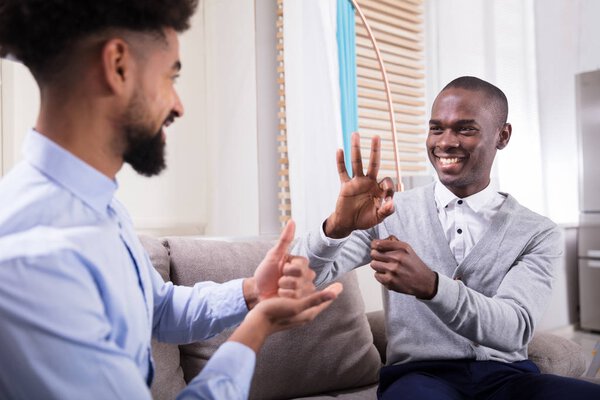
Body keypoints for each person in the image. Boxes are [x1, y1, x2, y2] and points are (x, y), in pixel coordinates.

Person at [0, 1, 342, 399]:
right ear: (118, 66)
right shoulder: (33, 258)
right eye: (170, 77)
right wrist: (257, 328)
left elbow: (157, 309)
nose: (178, 104)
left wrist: (252, 291)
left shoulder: (99, 206)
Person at [294, 76, 600, 399]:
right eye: (436, 128)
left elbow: (514, 328)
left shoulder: (537, 232)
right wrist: (335, 229)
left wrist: (432, 286)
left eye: (465, 129)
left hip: (507, 379)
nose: (445, 142)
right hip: (418, 378)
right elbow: (299, 278)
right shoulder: (388, 212)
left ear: (503, 135)